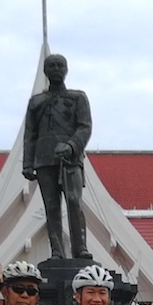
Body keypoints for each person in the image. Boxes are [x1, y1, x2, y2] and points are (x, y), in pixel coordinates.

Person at [22, 52, 92, 260]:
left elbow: (85, 127)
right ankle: (57, 251)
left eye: (60, 66)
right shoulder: (37, 102)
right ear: (45, 71)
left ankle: (80, 248)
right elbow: (30, 134)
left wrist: (71, 146)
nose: (56, 69)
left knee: (74, 201)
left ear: (66, 69)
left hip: (70, 158)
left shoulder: (77, 98)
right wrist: (27, 163)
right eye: (51, 66)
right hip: (44, 159)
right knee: (51, 207)